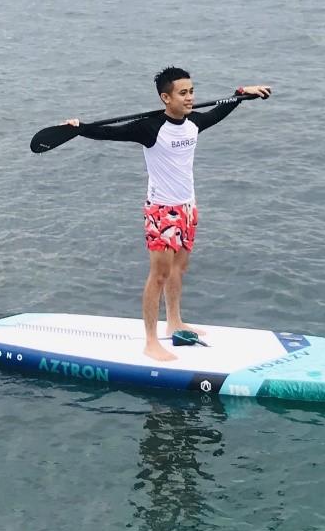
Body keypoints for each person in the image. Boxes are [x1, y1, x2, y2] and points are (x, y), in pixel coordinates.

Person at [65, 67, 271, 362]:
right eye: (183, 93)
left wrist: (240, 96)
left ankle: (174, 321)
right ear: (166, 97)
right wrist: (80, 127)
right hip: (161, 210)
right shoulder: (150, 128)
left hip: (188, 206)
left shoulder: (194, 123)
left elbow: (218, 112)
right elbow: (109, 133)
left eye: (192, 92)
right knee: (159, 275)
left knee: (179, 269)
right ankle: (151, 341)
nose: (190, 98)